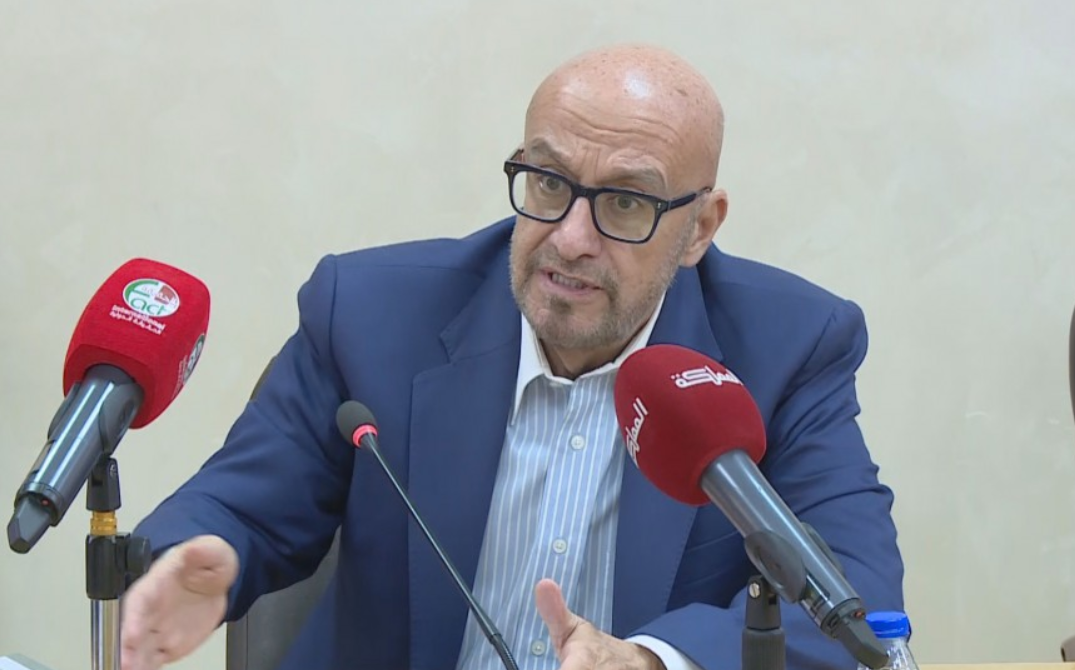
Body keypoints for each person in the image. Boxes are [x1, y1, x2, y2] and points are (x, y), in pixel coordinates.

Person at [119, 43, 904, 670]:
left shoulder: (787, 347)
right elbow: (242, 504)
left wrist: (651, 660)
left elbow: (855, 599)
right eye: (548, 183)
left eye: (624, 201)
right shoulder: (367, 314)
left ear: (699, 227)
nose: (570, 237)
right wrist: (203, 550)